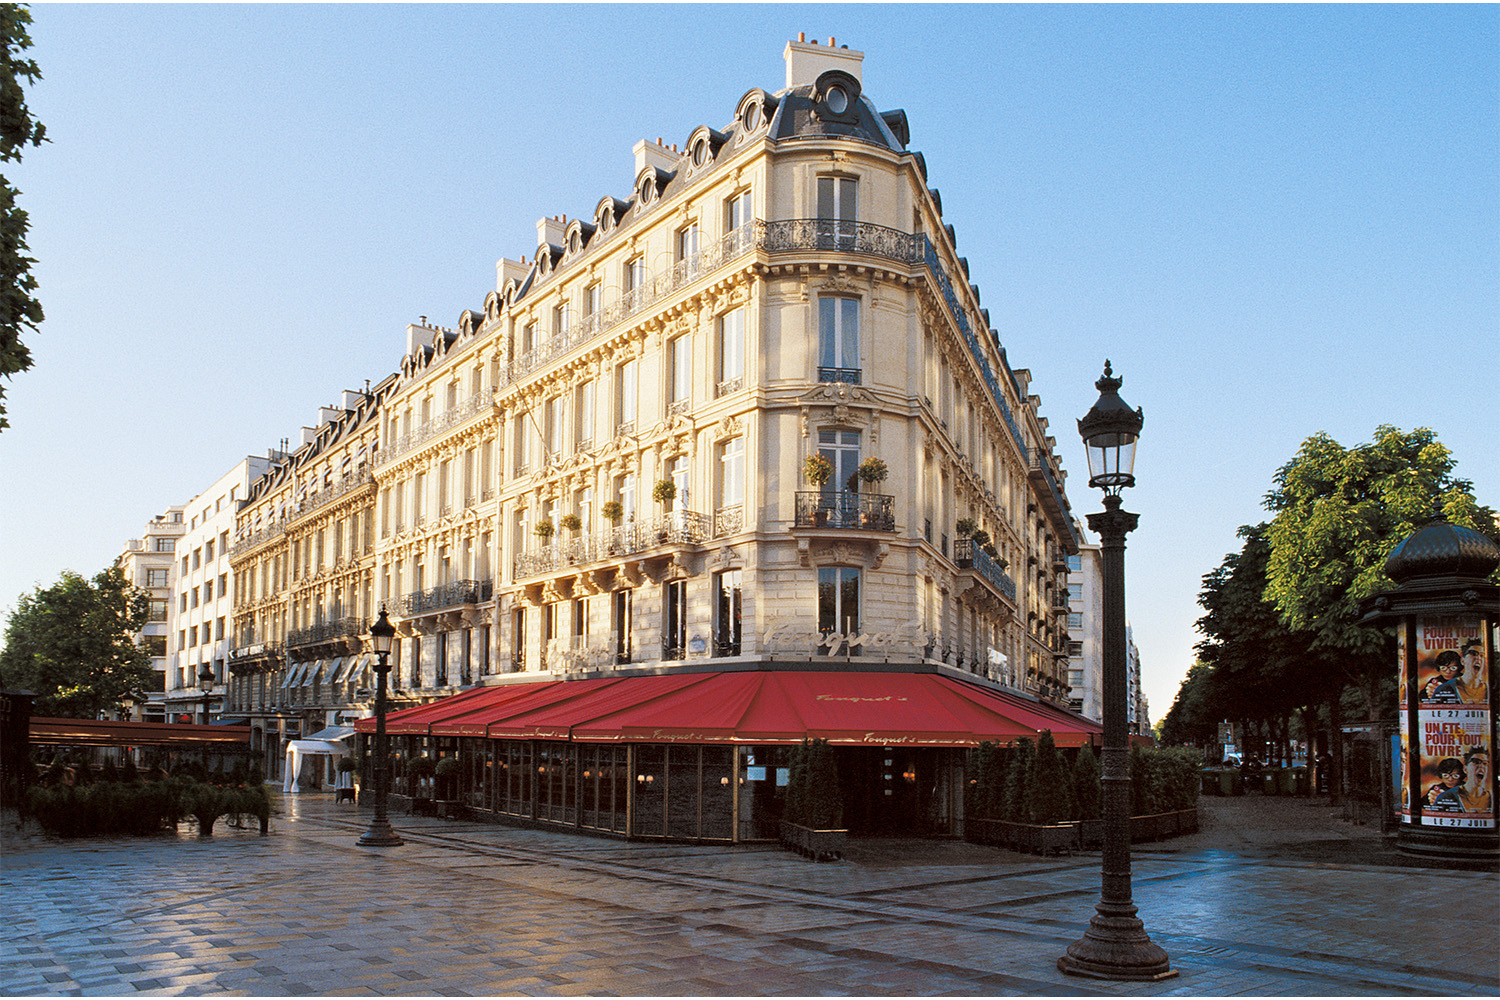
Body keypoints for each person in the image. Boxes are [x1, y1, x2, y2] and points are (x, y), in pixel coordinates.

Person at [1441, 745, 1491, 814]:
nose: (1481, 766)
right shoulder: (1446, 796)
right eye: (1476, 762)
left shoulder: (1493, 797)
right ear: (1465, 769)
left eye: (1485, 763)